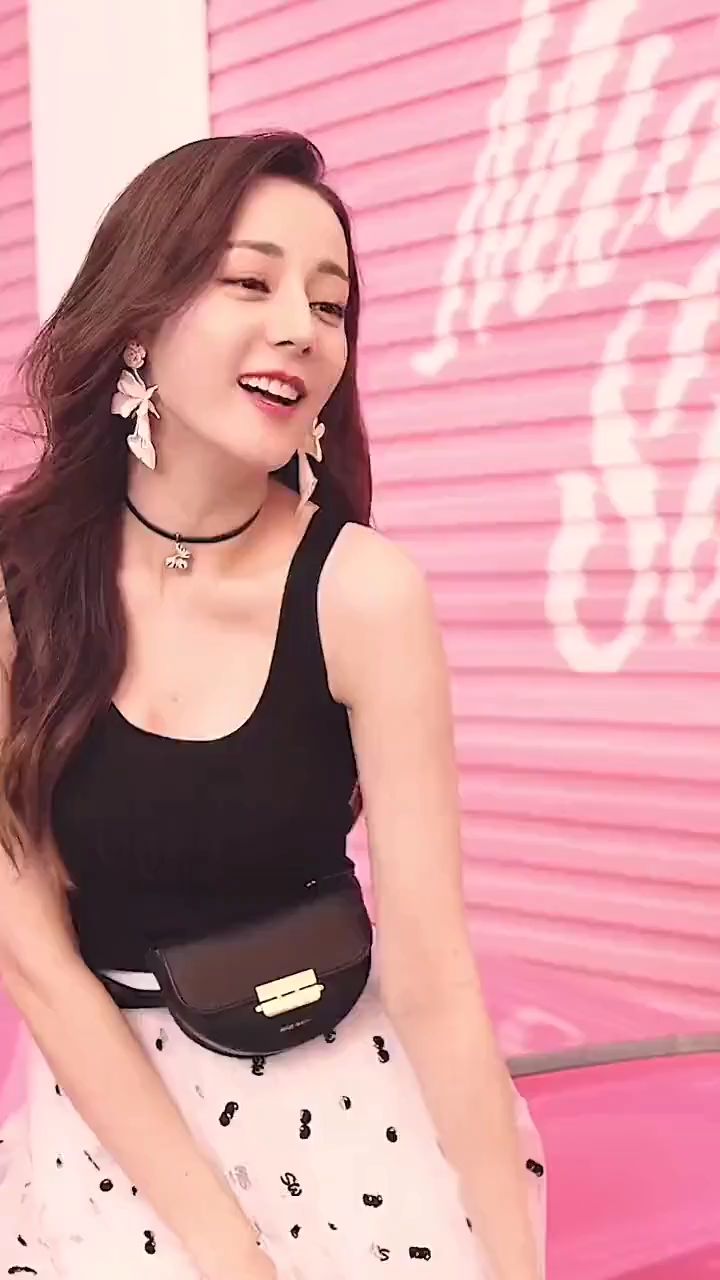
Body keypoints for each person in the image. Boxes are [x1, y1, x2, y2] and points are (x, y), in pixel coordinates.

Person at [0, 131, 545, 1280]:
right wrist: (227, 1250)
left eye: (330, 303)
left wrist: (514, 1260)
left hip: (348, 1107)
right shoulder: (19, 587)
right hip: (118, 1135)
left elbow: (434, 971)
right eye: (249, 282)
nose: (301, 326)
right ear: (136, 319)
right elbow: (35, 954)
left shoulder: (364, 592)